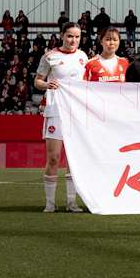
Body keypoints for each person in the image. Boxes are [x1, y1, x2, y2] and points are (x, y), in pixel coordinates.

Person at [33, 22, 88, 213]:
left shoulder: (83, 57)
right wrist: (47, 85)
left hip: (77, 113)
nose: (73, 40)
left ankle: (71, 202)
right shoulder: (50, 56)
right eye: (70, 36)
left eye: (77, 37)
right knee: (54, 158)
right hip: (56, 110)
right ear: (62, 35)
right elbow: (37, 81)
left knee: (74, 159)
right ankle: (50, 202)